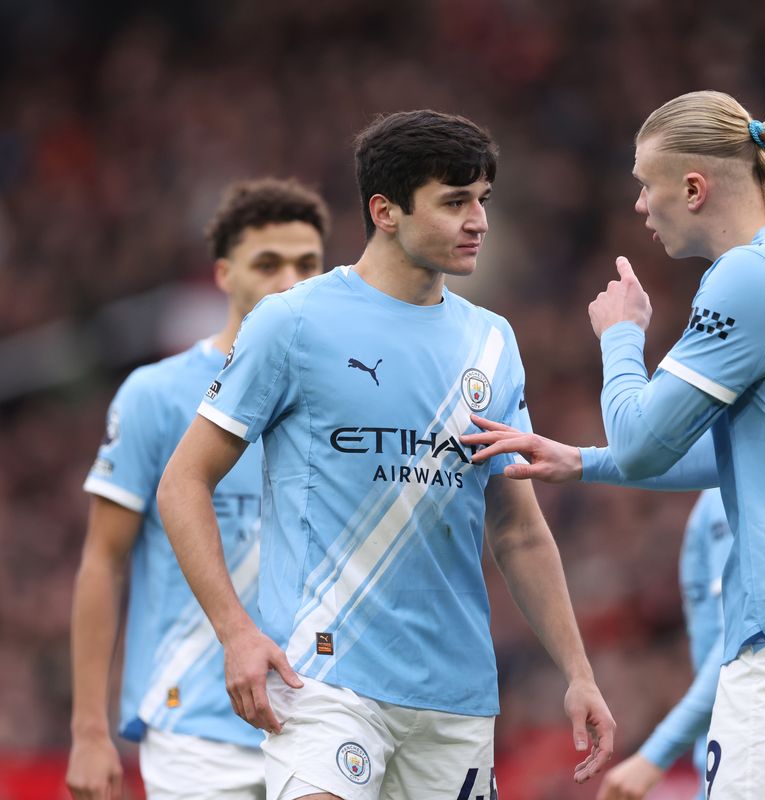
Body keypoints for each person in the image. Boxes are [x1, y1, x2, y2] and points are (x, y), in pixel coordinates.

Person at [465, 90, 765, 800]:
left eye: (647, 184)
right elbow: (752, 448)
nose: (640, 204)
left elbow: (642, 440)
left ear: (695, 188)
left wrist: (621, 334)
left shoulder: (752, 275)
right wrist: (583, 463)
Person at [156, 110, 615, 800]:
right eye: (454, 202)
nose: (479, 222)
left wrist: (578, 671)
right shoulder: (293, 322)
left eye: (482, 200)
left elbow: (517, 527)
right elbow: (183, 482)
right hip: (322, 676)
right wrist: (237, 632)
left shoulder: (492, 341)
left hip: (455, 694)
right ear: (386, 211)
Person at [67, 177, 330, 800]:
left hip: (323, 719)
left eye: (307, 264)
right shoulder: (157, 395)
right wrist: (88, 730)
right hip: (194, 727)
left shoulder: (348, 396)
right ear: (223, 276)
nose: (289, 279)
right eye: (267, 263)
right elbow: (102, 562)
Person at [597, 489, 731, 800]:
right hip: (723, 755)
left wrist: (655, 754)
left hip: (752, 746)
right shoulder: (715, 498)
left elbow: (740, 645)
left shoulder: (729, 495)